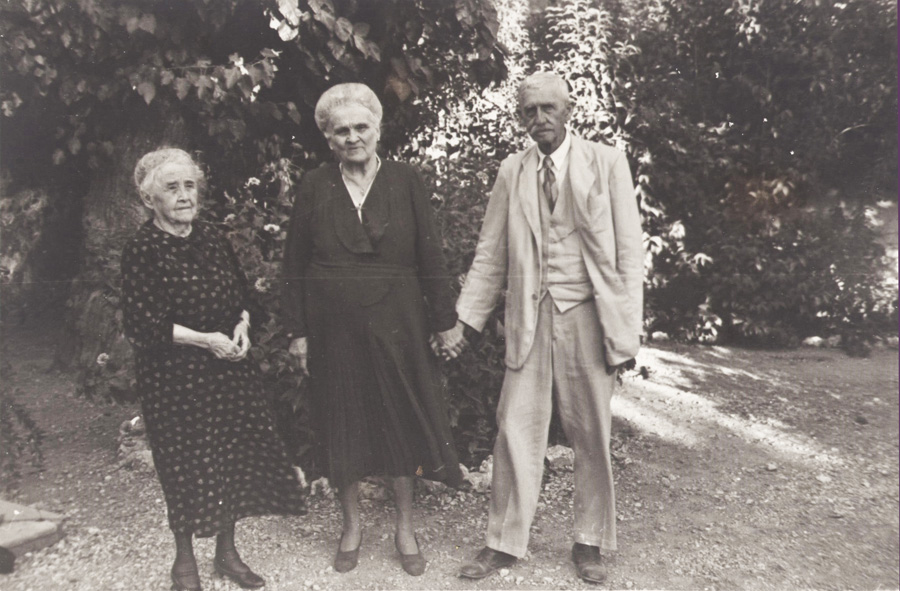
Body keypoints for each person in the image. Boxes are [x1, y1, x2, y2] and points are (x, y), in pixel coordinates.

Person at [452, 72, 643, 584]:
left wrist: (625, 332)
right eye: (529, 111)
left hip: (588, 314)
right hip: (529, 315)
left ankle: (589, 542)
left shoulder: (606, 163)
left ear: (568, 110)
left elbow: (629, 254)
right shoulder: (512, 171)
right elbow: (491, 253)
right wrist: (465, 321)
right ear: (522, 118)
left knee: (591, 430)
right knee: (514, 426)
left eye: (548, 108)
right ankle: (502, 542)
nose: (539, 119)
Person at [281, 83, 464, 577]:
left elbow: (430, 254)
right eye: (341, 130)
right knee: (340, 418)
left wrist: (444, 321)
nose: (352, 137)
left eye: (361, 127)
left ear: (378, 130)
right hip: (332, 325)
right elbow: (293, 264)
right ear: (328, 139)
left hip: (398, 321)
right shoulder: (315, 185)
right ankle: (351, 527)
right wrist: (297, 331)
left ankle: (405, 528)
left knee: (399, 418)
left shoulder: (406, 180)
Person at [121, 148, 307, 591]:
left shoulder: (211, 236)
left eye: (189, 185)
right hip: (174, 376)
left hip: (228, 369)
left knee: (231, 457)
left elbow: (242, 295)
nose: (184, 195)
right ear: (149, 199)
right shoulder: (142, 248)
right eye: (172, 188)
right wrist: (207, 340)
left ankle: (227, 553)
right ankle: (183, 560)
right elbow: (144, 324)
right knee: (184, 463)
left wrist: (241, 327)